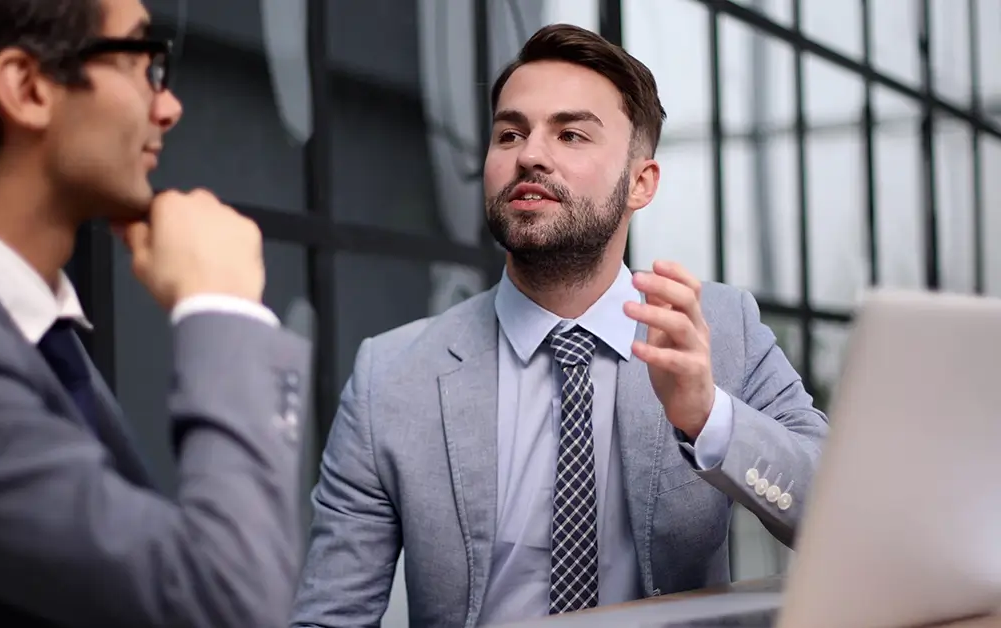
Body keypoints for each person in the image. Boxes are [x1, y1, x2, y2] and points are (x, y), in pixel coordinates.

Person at [292, 23, 828, 628]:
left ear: (641, 183)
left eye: (570, 134)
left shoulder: (719, 330)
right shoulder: (390, 377)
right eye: (509, 133)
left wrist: (710, 418)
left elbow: (842, 514)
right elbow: (329, 618)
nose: (530, 155)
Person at [0, 0, 310, 626]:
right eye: (140, 61)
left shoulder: (11, 323)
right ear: (27, 88)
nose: (168, 106)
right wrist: (222, 308)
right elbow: (229, 605)